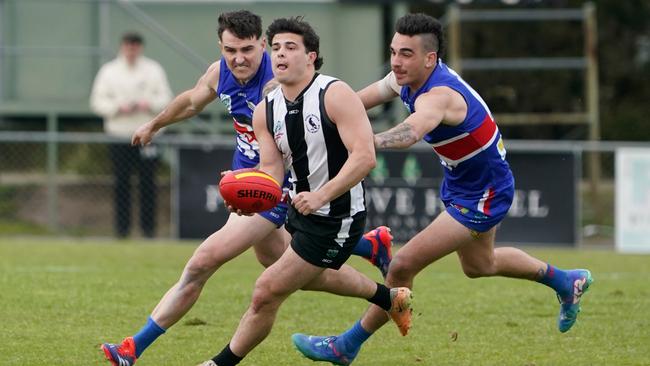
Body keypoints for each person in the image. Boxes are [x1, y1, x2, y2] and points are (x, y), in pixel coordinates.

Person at [292, 13, 594, 365]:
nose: (396, 61)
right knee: (481, 265)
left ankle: (347, 345)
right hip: (465, 182)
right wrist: (303, 110)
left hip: (484, 193)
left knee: (403, 265)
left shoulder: (439, 96)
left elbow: (411, 132)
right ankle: (566, 281)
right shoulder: (403, 79)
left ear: (429, 58)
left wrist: (367, 143)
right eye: (393, 51)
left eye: (406, 53)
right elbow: (350, 103)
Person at [100, 11, 393, 366]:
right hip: (253, 178)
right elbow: (192, 101)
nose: (238, 58)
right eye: (230, 50)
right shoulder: (219, 72)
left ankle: (133, 347)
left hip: (274, 187)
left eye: (247, 50)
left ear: (262, 46)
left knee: (203, 261)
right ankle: (377, 272)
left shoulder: (278, 83)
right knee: (293, 271)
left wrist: (258, 183)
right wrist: (154, 124)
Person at [198, 17, 413, 366]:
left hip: (338, 216)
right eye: (277, 47)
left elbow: (364, 157)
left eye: (291, 47)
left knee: (266, 292)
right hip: (301, 211)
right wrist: (246, 190)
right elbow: (270, 169)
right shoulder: (266, 110)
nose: (281, 53)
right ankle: (390, 298)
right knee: (313, 276)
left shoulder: (335, 94)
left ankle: (218, 363)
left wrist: (322, 195)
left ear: (311, 56)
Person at [90, 32, 173, 238]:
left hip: (147, 136)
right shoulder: (109, 71)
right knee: (121, 183)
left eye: (135, 46)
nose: (131, 50)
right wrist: (118, 107)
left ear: (140, 48)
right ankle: (122, 231)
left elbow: (166, 98)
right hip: (120, 136)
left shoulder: (153, 69)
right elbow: (97, 102)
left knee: (148, 183)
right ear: (122, 47)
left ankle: (148, 231)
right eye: (128, 45)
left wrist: (149, 104)